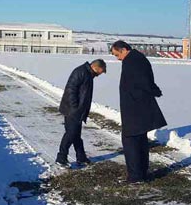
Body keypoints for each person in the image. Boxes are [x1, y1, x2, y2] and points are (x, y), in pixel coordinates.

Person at [111, 40, 167, 183]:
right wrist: (154, 89)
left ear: (123, 49)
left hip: (135, 108)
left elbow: (144, 81)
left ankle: (136, 176)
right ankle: (141, 173)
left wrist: (154, 90)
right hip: (136, 106)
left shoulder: (133, 61)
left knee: (131, 141)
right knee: (140, 140)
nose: (118, 58)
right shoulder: (135, 59)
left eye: (117, 55)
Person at [56, 59, 107, 167]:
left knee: (76, 135)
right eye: (100, 72)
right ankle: (61, 158)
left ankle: (81, 157)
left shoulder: (88, 73)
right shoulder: (81, 72)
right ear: (96, 67)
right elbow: (71, 89)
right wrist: (75, 108)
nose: (99, 75)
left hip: (78, 111)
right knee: (70, 134)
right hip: (72, 110)